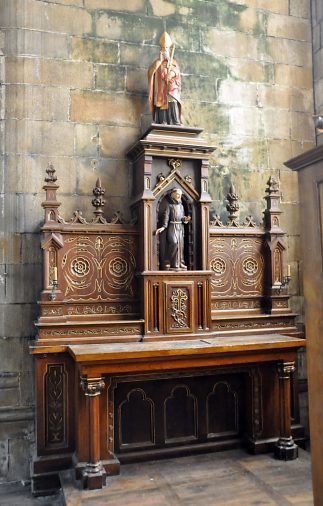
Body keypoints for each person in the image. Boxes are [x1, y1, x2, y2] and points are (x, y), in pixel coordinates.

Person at [148, 32, 182, 125]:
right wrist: (159, 61)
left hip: (170, 87)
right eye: (163, 48)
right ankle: (162, 121)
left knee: (172, 100)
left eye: (166, 48)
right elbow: (151, 73)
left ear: (169, 49)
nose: (164, 50)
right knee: (160, 102)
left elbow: (177, 71)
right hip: (160, 88)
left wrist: (171, 73)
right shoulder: (157, 62)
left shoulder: (173, 62)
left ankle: (175, 121)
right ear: (160, 49)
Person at [155, 188, 190, 270]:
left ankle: (180, 263)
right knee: (174, 243)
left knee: (180, 245)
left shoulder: (181, 206)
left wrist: (185, 219)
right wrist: (163, 227)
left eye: (180, 195)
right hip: (172, 227)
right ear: (173, 194)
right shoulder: (169, 206)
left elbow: (182, 218)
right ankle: (170, 262)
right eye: (178, 194)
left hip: (180, 228)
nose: (179, 196)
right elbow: (166, 217)